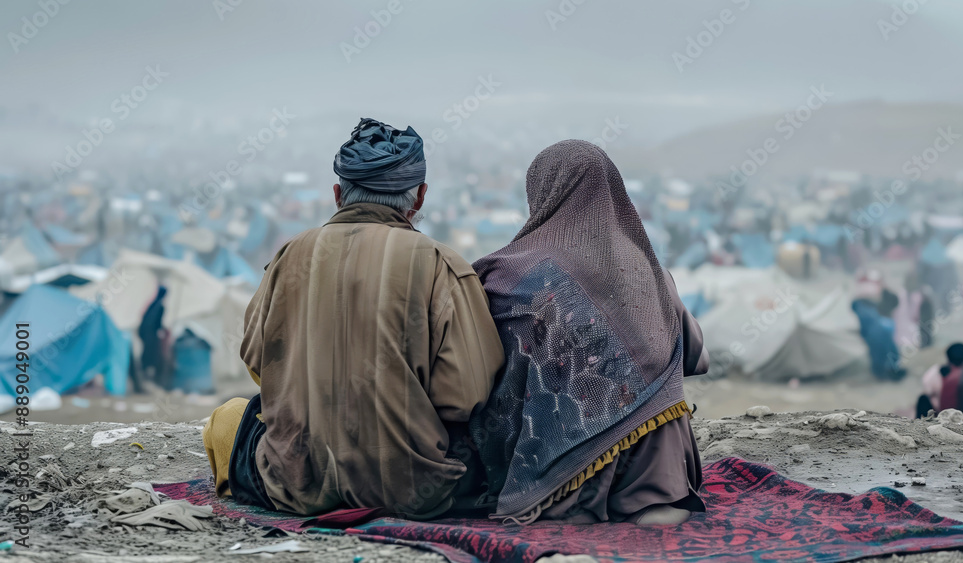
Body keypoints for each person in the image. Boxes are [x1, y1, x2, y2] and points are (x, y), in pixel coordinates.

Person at [202, 118, 505, 519]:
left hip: (290, 485)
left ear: (336, 194)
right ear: (420, 198)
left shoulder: (290, 255)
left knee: (228, 418)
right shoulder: (440, 264)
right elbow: (464, 395)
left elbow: (259, 362)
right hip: (414, 491)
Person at [470, 140, 708, 526]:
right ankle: (645, 500)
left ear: (542, 193)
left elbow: (478, 370)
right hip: (664, 473)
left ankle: (564, 496)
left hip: (559, 471)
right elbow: (696, 356)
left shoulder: (508, 275)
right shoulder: (651, 272)